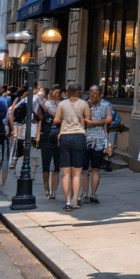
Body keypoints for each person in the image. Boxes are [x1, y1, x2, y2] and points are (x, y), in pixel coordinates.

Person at [54, 83, 90, 211]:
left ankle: (68, 202)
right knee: (77, 173)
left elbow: (56, 120)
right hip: (79, 137)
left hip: (65, 137)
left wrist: (63, 120)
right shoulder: (84, 104)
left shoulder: (62, 104)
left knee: (66, 173)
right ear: (79, 92)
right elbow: (87, 118)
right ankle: (75, 199)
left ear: (68, 91)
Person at [82, 85, 113, 203]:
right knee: (85, 169)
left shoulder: (105, 106)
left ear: (101, 95)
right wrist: (101, 122)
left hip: (99, 141)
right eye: (92, 94)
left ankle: (93, 194)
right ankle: (85, 194)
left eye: (96, 94)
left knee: (95, 169)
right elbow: (83, 121)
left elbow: (109, 119)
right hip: (85, 139)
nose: (94, 96)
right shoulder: (85, 105)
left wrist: (94, 122)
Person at [37, 85, 62, 200]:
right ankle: (47, 190)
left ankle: (53, 192)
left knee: (55, 166)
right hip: (47, 136)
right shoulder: (45, 105)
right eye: (55, 93)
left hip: (57, 137)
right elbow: (40, 121)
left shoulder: (62, 105)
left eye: (58, 94)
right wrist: (38, 136)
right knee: (46, 165)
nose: (57, 95)